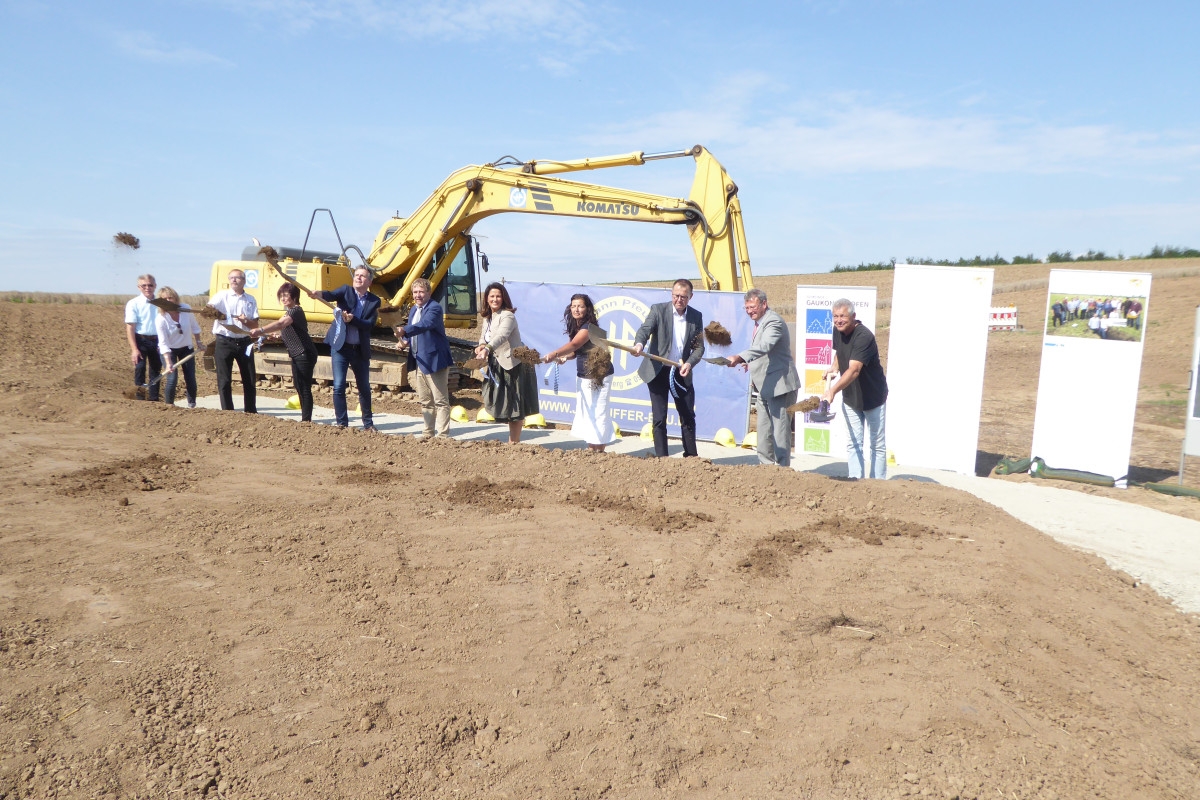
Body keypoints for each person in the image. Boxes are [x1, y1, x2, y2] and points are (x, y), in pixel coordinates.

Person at [726, 289, 801, 467]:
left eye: (752, 307)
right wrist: (749, 364)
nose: (749, 311)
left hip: (780, 386)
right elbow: (765, 353)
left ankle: (782, 471)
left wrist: (740, 357)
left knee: (780, 433)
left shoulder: (773, 321)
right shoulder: (760, 323)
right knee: (764, 431)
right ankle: (766, 470)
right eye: (746, 308)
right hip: (765, 386)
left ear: (764, 304)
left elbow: (765, 345)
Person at [632, 278, 705, 457]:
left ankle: (691, 457)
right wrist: (639, 344)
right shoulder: (658, 310)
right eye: (676, 296)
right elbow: (644, 330)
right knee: (659, 418)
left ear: (691, 297)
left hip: (681, 371)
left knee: (687, 416)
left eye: (683, 297)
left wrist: (689, 363)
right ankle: (661, 459)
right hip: (658, 371)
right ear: (671, 295)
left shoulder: (696, 316)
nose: (679, 300)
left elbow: (699, 347)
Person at [823, 298, 889, 479]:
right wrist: (834, 367)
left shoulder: (864, 337)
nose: (838, 320)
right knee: (853, 443)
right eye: (835, 316)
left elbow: (854, 370)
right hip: (851, 398)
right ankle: (855, 482)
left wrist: (832, 392)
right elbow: (839, 351)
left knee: (877, 444)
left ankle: (877, 484)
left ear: (853, 316)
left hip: (872, 397)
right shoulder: (838, 331)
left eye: (843, 316)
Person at [542, 294, 616, 452]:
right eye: (573, 306)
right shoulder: (575, 326)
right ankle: (591, 449)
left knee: (599, 412)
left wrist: (554, 353)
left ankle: (599, 451)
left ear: (587, 309)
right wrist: (563, 357)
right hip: (583, 374)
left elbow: (574, 344)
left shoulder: (589, 327)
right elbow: (575, 352)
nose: (576, 309)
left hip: (599, 375)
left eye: (580, 306)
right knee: (588, 412)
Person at [309, 267, 381, 430]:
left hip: (359, 350)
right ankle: (342, 424)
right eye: (356, 275)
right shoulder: (346, 291)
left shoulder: (374, 301)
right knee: (339, 386)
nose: (358, 278)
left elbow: (369, 325)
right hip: (341, 347)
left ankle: (368, 424)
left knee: (364, 387)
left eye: (363, 276)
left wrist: (352, 320)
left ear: (369, 282)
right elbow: (330, 295)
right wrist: (318, 293)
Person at [474, 282, 538, 443]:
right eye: (491, 296)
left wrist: (487, 348)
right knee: (501, 402)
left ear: (503, 298)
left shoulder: (508, 316)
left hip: (513, 365)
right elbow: (484, 337)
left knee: (515, 405)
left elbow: (501, 336)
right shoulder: (488, 318)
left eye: (498, 296)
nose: (495, 299)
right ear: (486, 299)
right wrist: (480, 346)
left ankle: (513, 443)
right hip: (496, 365)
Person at [251, 283, 319, 422]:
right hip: (297, 353)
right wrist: (278, 336)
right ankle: (305, 418)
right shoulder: (290, 312)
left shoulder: (295, 311)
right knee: (299, 385)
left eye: (286, 295)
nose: (283, 298)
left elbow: (281, 324)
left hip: (304, 353)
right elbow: (293, 331)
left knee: (304, 387)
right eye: (281, 295)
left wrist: (262, 330)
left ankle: (306, 420)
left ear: (295, 296)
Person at [397, 278, 453, 438]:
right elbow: (417, 334)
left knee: (440, 400)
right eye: (415, 292)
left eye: (421, 292)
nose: (418, 295)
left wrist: (405, 330)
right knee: (425, 400)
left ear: (429, 293)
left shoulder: (434, 308)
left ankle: (443, 435)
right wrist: (405, 342)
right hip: (419, 360)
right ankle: (428, 432)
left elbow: (425, 325)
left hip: (435, 361)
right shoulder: (414, 310)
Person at [206, 268, 259, 413]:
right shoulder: (222, 296)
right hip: (225, 341)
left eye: (237, 278)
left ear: (244, 281)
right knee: (224, 380)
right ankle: (227, 412)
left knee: (249, 379)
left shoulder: (250, 300)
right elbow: (207, 311)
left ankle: (250, 411)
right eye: (231, 278)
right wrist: (219, 314)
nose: (234, 280)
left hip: (245, 342)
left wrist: (246, 320)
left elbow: (255, 325)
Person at [154, 286, 203, 408]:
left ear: (175, 298)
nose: (168, 300)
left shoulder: (186, 310)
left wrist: (199, 342)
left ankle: (192, 404)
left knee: (190, 377)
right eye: (164, 299)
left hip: (186, 348)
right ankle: (169, 405)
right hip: (169, 351)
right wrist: (168, 362)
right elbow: (163, 343)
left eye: (170, 297)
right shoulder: (161, 319)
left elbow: (195, 327)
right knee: (172, 379)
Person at [125, 273, 162, 401]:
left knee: (156, 370)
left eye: (150, 285)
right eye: (144, 285)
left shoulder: (161, 303)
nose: (147, 288)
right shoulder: (133, 304)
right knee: (140, 368)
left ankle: (154, 398)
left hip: (157, 340)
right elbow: (130, 327)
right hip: (141, 340)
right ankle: (140, 397)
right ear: (139, 287)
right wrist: (134, 349)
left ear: (155, 286)